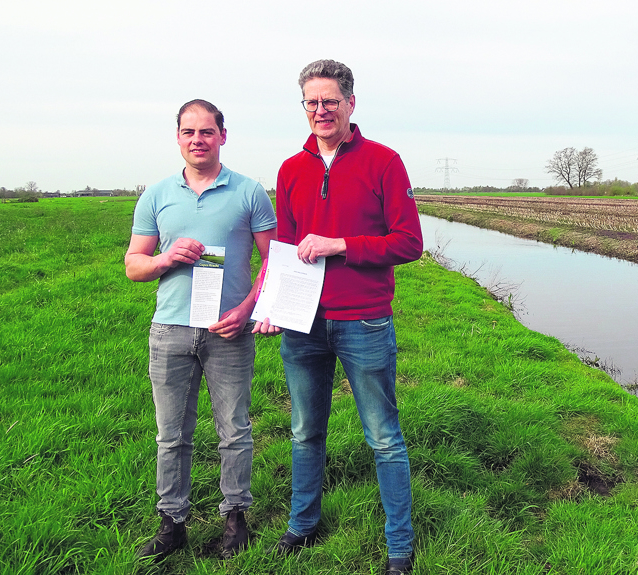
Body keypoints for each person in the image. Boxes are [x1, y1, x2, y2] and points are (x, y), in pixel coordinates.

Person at [253, 59, 422, 575]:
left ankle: (399, 545)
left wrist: (341, 245)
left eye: (330, 100)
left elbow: (409, 242)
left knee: (384, 437)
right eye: (312, 102)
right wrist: (270, 305)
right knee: (305, 431)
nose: (321, 110)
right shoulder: (290, 168)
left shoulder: (384, 162)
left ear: (351, 102)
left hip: (364, 319)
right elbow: (282, 245)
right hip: (303, 322)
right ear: (303, 107)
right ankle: (302, 525)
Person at [125, 99, 277, 561]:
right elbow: (134, 265)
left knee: (234, 429)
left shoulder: (250, 192)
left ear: (222, 136)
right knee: (171, 434)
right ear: (178, 138)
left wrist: (249, 308)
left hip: (228, 331)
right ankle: (172, 522)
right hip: (169, 331)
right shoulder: (156, 195)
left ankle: (236, 517)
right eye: (188, 132)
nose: (198, 140)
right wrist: (166, 258)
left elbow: (272, 261)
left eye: (207, 132)